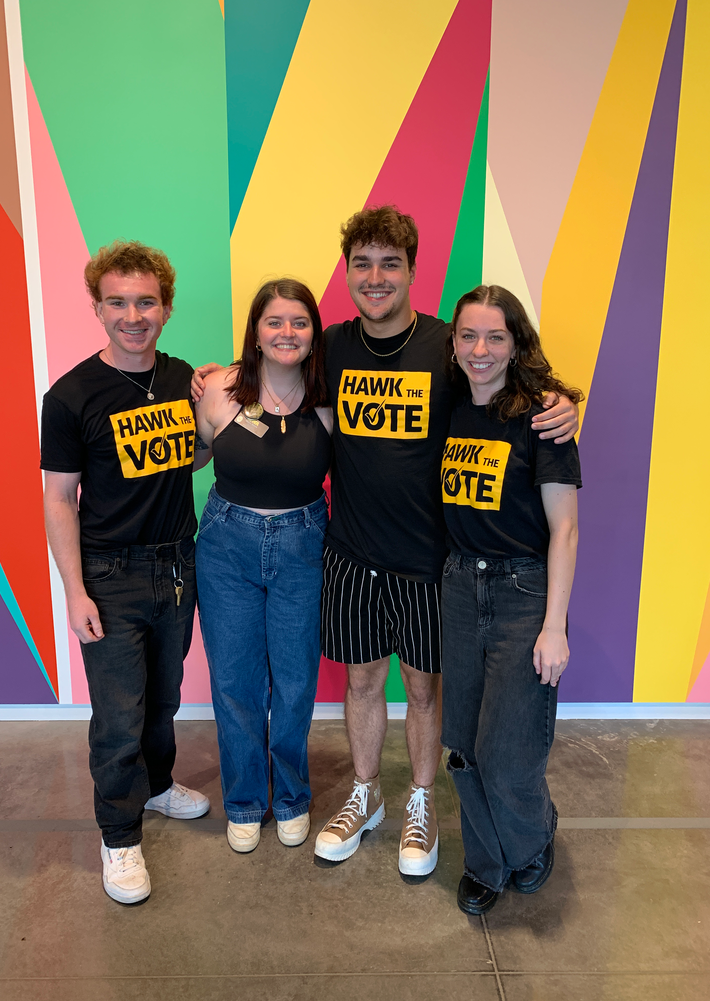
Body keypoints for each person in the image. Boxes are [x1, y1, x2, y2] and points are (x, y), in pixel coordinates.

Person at [192, 206, 578, 876]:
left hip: (432, 560)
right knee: (363, 684)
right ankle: (367, 795)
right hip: (350, 554)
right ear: (347, 273)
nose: (374, 278)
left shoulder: (445, 348)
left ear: (411, 272)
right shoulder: (331, 348)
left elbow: (501, 382)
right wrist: (210, 377)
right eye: (362, 264)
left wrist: (558, 401)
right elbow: (270, 375)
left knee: (425, 693)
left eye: (389, 264)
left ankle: (421, 805)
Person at [41, 241, 210, 905]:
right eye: (118, 302)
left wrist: (211, 404)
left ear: (165, 308)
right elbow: (59, 498)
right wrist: (74, 588)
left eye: (145, 302)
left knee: (163, 698)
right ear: (98, 307)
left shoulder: (181, 377)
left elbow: (186, 457)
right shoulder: (71, 395)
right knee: (118, 713)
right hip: (108, 572)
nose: (133, 315)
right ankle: (119, 836)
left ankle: (159, 785)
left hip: (176, 564)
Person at [440, 285, 581, 915]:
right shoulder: (448, 406)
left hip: (523, 591)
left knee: (509, 748)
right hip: (457, 587)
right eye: (468, 335)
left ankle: (533, 834)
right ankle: (487, 862)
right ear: (454, 343)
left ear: (516, 343)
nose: (480, 349)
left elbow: (566, 529)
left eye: (496, 336)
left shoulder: (543, 419)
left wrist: (555, 626)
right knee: (465, 740)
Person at [193, 279, 332, 853]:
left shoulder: (329, 397)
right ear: (255, 331)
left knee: (296, 683)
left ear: (313, 333)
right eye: (274, 321)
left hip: (303, 542)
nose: (286, 333)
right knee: (234, 682)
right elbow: (195, 450)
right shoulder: (220, 389)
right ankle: (246, 801)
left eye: (299, 322)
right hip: (228, 544)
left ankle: (293, 797)